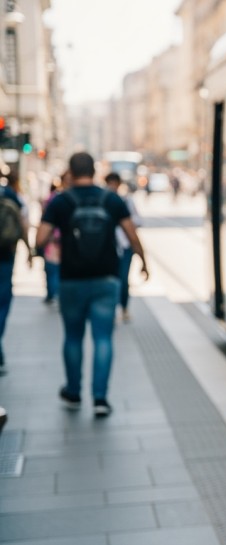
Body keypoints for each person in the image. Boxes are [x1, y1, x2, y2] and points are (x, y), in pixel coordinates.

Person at [34, 152, 149, 417]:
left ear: (71, 173)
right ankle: (100, 398)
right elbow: (132, 234)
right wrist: (144, 262)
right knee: (103, 338)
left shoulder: (61, 201)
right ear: (95, 171)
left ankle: (73, 392)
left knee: (73, 338)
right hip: (106, 279)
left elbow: (40, 239)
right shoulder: (110, 198)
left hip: (72, 279)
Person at [0, 174, 32, 374]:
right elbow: (23, 222)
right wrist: (29, 249)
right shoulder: (11, 194)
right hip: (5, 254)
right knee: (3, 301)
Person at [104, 172, 142, 322]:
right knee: (113, 279)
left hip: (125, 246)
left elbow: (136, 223)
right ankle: (113, 308)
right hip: (110, 247)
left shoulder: (126, 201)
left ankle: (123, 307)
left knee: (123, 278)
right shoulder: (105, 200)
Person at [41, 180, 64, 304]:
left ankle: (52, 293)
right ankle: (55, 292)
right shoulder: (59, 199)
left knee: (51, 268)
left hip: (51, 239)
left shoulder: (51, 200)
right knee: (57, 268)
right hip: (58, 239)